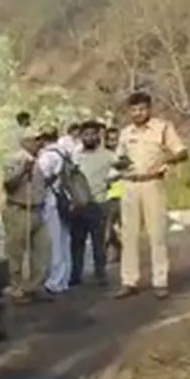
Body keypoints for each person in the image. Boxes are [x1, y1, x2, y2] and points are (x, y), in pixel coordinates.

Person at [115, 89, 188, 299]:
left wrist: (168, 160)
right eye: (134, 110)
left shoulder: (162, 128)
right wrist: (118, 166)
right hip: (130, 185)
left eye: (142, 109)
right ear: (129, 112)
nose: (138, 113)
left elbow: (182, 152)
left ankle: (160, 281)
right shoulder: (126, 133)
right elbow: (120, 158)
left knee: (158, 234)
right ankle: (129, 281)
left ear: (149, 109)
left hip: (152, 183)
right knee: (128, 236)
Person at [2, 130, 51, 301]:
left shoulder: (40, 160)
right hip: (19, 209)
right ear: (25, 142)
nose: (39, 143)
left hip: (37, 210)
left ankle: (34, 286)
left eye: (39, 140)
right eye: (35, 140)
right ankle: (16, 288)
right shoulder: (15, 159)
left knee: (42, 250)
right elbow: (8, 184)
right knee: (16, 252)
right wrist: (23, 170)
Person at [69, 120, 115, 285]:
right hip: (79, 204)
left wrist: (111, 179)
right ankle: (76, 275)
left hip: (99, 202)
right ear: (81, 136)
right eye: (86, 134)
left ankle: (100, 274)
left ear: (98, 136)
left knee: (99, 241)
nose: (89, 137)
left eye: (92, 134)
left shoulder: (108, 155)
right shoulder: (75, 155)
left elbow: (124, 167)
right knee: (77, 241)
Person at [34, 127, 72, 295]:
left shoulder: (48, 156)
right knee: (64, 241)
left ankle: (54, 281)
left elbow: (41, 179)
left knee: (53, 242)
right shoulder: (65, 152)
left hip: (51, 201)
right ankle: (63, 279)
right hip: (65, 200)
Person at [102, 126, 124, 263]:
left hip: (124, 194)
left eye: (115, 139)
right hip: (108, 196)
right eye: (110, 140)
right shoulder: (103, 156)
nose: (113, 142)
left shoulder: (124, 155)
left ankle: (125, 252)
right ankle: (102, 258)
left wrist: (117, 175)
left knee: (125, 228)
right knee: (107, 230)